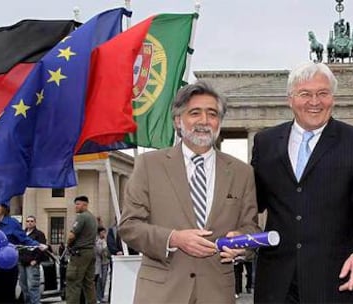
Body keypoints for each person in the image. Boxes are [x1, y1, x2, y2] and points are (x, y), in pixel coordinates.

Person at [251, 62, 353, 303]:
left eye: (323, 93)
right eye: (305, 94)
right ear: (290, 99)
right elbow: (250, 203)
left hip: (337, 281)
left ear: (332, 98)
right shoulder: (266, 142)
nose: (315, 101)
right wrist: (235, 236)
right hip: (278, 285)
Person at [119, 80, 261, 303]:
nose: (204, 121)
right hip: (161, 294)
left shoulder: (242, 172)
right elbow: (129, 227)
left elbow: (251, 227)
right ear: (178, 120)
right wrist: (173, 238)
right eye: (195, 113)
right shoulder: (149, 165)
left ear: (220, 122)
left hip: (217, 294)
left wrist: (242, 245)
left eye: (212, 114)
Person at [0, 204, 47, 304]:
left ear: (4, 208)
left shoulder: (13, 223)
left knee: (8, 297)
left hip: (8, 267)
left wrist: (38, 245)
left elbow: (24, 239)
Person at [66, 195, 98, 304]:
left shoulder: (82, 217)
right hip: (90, 252)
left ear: (85, 205)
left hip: (80, 253)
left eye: (78, 204)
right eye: (76, 204)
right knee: (89, 283)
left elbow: (71, 235)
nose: (76, 206)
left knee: (73, 282)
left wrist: (68, 245)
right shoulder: (93, 218)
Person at [18, 215, 47, 304]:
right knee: (23, 286)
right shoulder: (22, 233)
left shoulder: (39, 234)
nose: (29, 223)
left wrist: (36, 260)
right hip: (22, 263)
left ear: (35, 223)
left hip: (32, 263)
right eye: (27, 221)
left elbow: (42, 249)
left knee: (32, 287)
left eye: (31, 221)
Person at [94, 227, 110, 303]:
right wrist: (104, 247)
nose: (104, 234)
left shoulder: (105, 241)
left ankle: (102, 296)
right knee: (99, 280)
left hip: (105, 262)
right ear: (99, 233)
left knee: (104, 280)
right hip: (99, 263)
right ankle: (99, 297)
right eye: (102, 232)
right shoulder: (97, 241)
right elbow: (99, 251)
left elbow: (108, 251)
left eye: (104, 232)